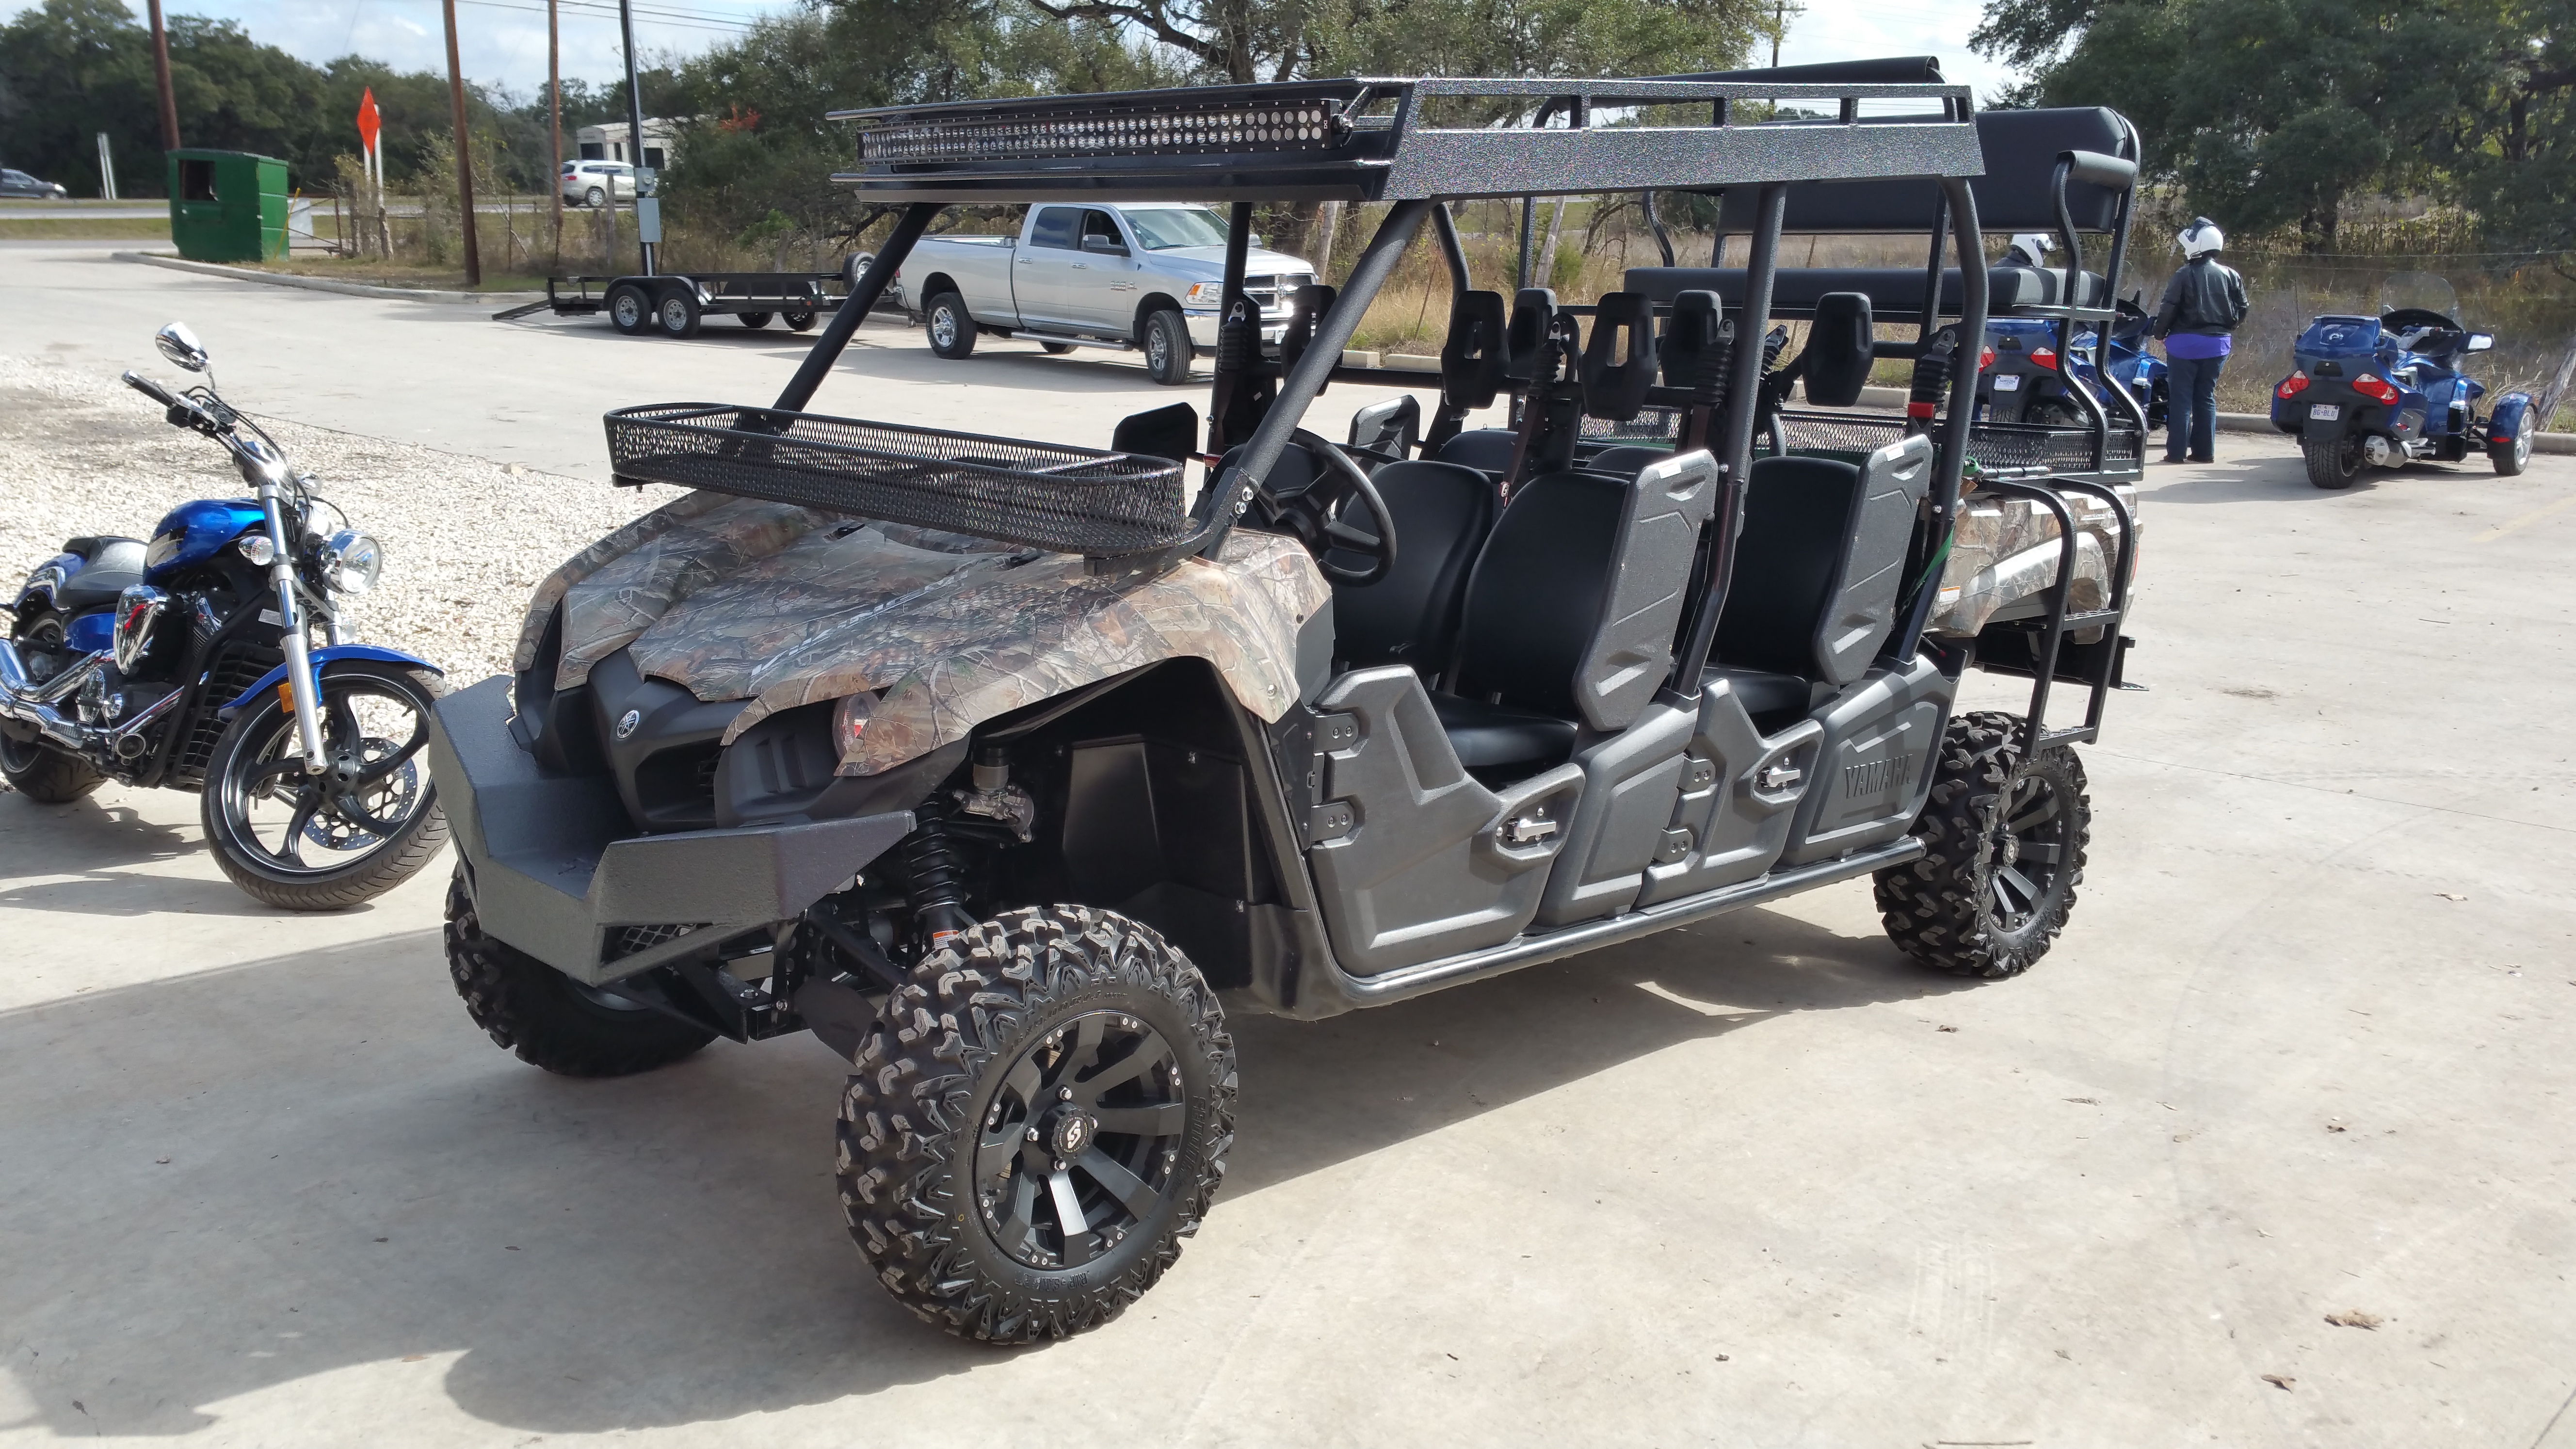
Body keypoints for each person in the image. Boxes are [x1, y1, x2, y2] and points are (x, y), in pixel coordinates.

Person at [2153, 217, 2250, 464]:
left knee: (2181, 398)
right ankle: (2205, 453)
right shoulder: (2231, 274)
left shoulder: (2184, 274)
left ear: (2197, 244)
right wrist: (2230, 326)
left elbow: (2169, 307)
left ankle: (2176, 453)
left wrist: (2159, 332)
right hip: (2218, 345)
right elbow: (2243, 307)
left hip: (2184, 344)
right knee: (2205, 397)